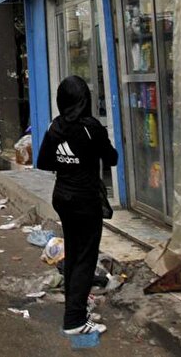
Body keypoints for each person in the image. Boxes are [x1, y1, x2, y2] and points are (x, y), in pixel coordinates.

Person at [36, 75, 118, 336]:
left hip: (63, 197)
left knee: (73, 255)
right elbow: (112, 158)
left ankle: (75, 311)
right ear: (85, 100)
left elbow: (44, 161)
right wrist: (84, 159)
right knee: (85, 258)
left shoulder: (55, 126)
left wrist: (67, 162)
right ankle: (75, 321)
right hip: (85, 201)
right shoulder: (91, 128)